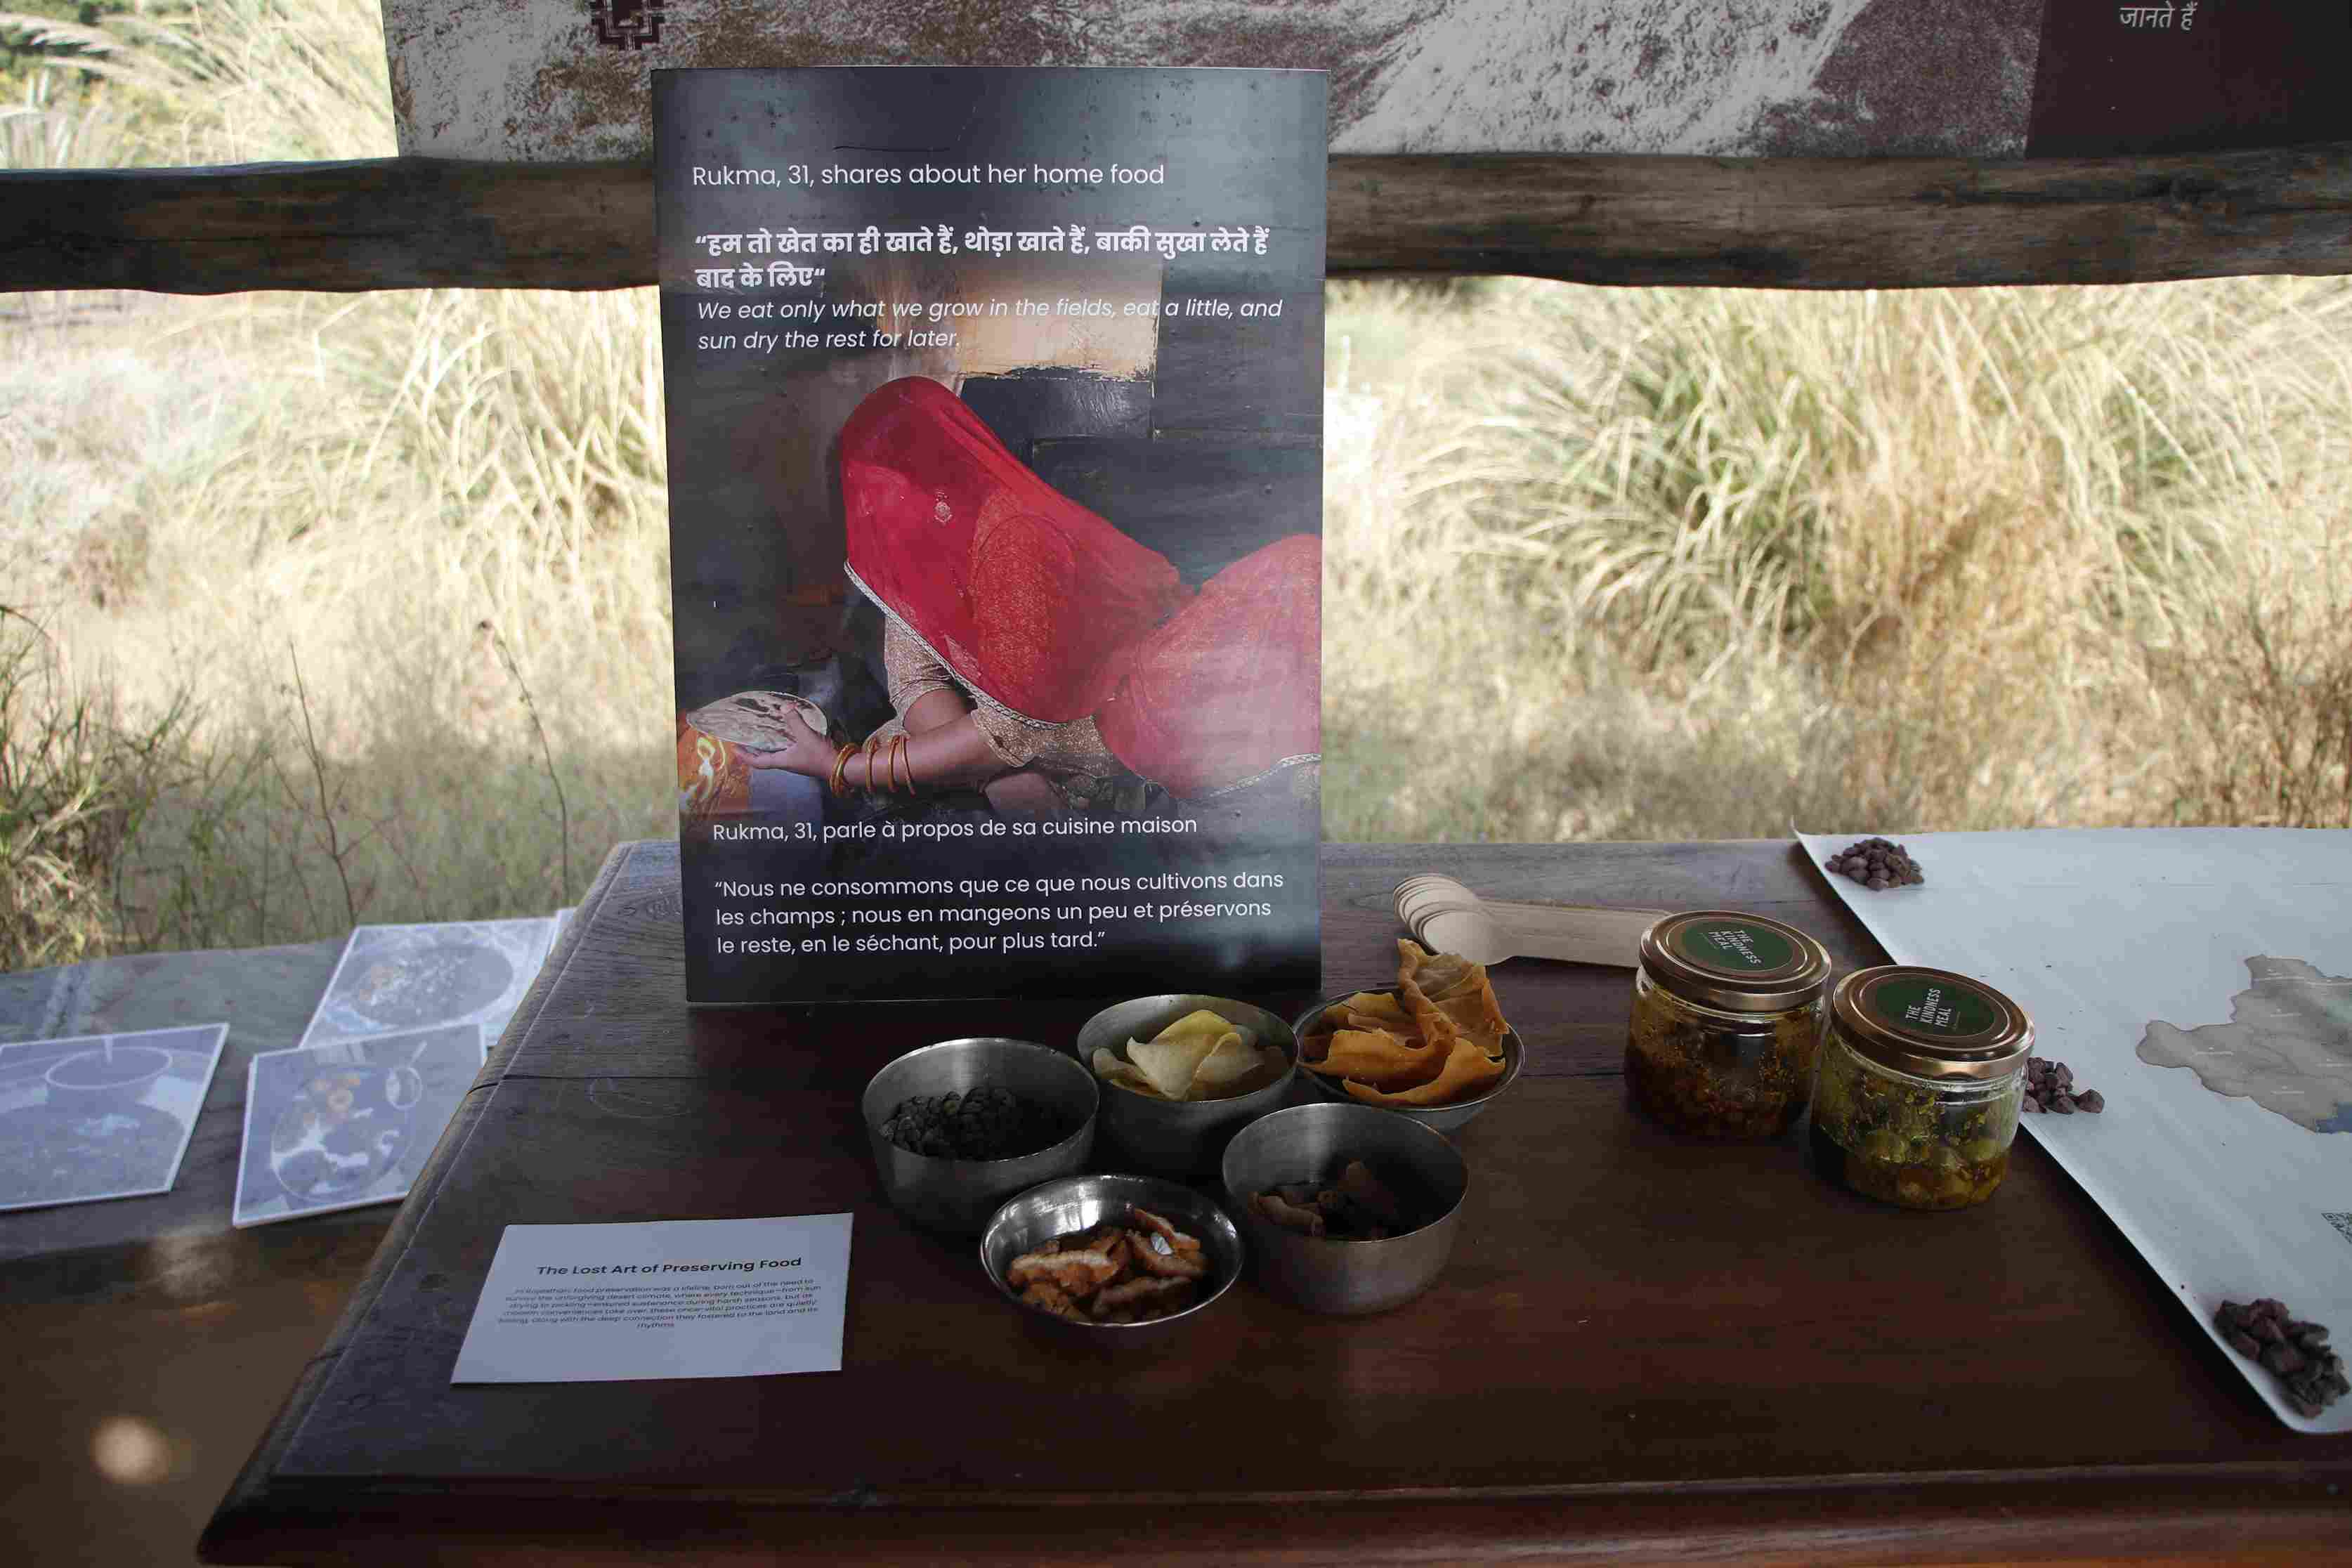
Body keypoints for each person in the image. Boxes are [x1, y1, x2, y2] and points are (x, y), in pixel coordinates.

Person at [745, 377, 1319, 815]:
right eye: (867, 494)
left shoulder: (1013, 542)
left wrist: (846, 767)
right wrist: (991, 775)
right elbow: (918, 683)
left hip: (1127, 720)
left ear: (933, 476)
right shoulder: (915, 545)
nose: (876, 513)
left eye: (886, 490)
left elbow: (1026, 732)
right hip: (1013, 740)